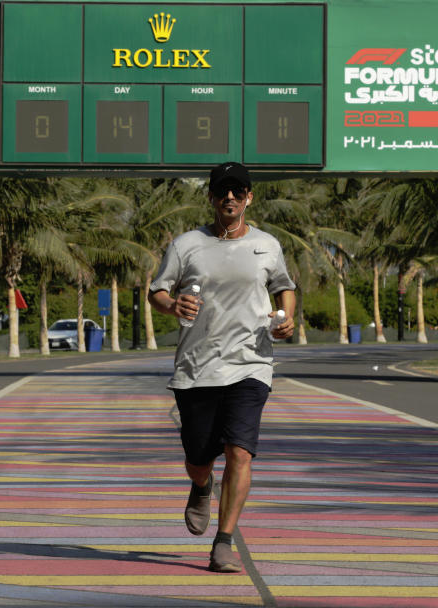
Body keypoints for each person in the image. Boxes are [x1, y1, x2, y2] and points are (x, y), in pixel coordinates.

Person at [148, 161, 296, 573]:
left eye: (237, 190)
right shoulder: (186, 245)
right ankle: (200, 484)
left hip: (252, 363)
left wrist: (286, 319)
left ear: (249, 197)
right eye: (221, 191)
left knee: (240, 453)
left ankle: (224, 542)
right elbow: (157, 291)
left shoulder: (268, 245)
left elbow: (283, 287)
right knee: (199, 456)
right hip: (197, 367)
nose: (229, 197)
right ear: (211, 198)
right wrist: (172, 304)